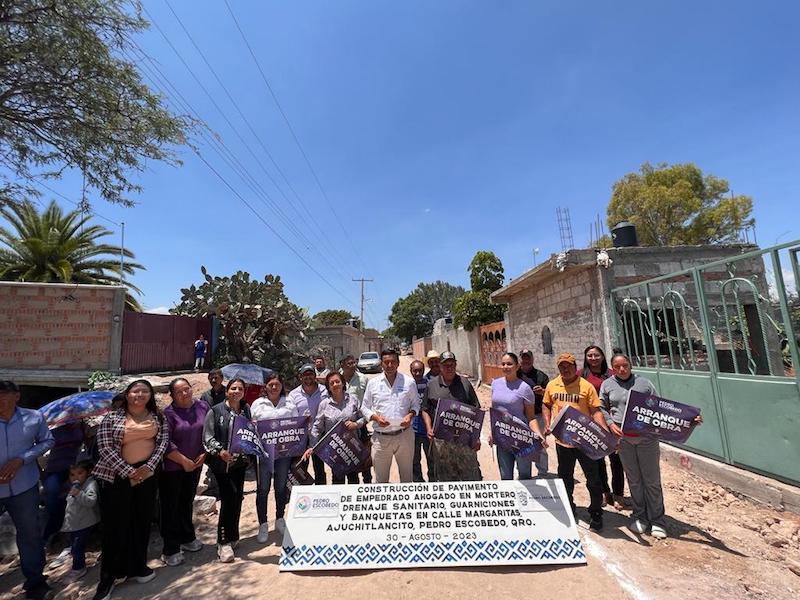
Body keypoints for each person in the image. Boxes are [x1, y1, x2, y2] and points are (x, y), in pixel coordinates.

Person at [600, 353, 702, 539]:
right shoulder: (607, 385)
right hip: (624, 441)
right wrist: (610, 424)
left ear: (630, 365)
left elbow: (661, 410)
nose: (622, 369)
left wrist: (689, 420)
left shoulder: (644, 384)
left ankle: (657, 520)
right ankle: (640, 516)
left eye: (625, 365)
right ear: (612, 368)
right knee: (634, 479)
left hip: (646, 439)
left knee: (651, 481)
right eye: (617, 366)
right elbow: (602, 407)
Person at [92, 379, 168, 600]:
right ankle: (108, 579)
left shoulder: (157, 417)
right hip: (117, 477)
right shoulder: (112, 418)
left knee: (141, 521)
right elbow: (105, 448)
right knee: (115, 526)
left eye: (145, 391)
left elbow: (162, 442)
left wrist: (148, 467)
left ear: (150, 396)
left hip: (147, 474)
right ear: (127, 395)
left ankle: (137, 567)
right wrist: (129, 471)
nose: (140, 395)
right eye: (136, 391)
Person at [0, 381, 55, 600]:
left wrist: (22, 460)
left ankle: (35, 583)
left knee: (30, 535)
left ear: (16, 396)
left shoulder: (34, 417)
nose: (0, 399)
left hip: (24, 486)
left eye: (4, 394)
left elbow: (47, 441)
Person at [542, 353, 608, 531]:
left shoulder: (586, 386)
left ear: (574, 366)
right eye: (561, 366)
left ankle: (596, 513)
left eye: (568, 365)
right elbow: (546, 404)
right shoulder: (552, 385)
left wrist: (605, 432)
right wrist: (548, 423)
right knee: (565, 478)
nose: (565, 369)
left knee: (593, 479)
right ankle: (569, 507)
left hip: (584, 442)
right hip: (563, 442)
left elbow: (595, 411)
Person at [159, 378, 208, 566]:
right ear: (172, 395)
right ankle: (170, 548)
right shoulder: (168, 414)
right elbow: (165, 442)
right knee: (170, 507)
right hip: (172, 468)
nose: (185, 394)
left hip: (196, 465)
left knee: (187, 502)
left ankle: (187, 538)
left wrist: (204, 453)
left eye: (187, 389)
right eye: (179, 392)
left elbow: (208, 432)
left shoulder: (203, 407)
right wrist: (183, 461)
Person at [202, 378, 251, 563]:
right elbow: (208, 437)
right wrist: (220, 451)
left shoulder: (246, 409)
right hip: (222, 465)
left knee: (238, 497)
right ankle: (223, 542)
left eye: (240, 388)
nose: (236, 391)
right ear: (227, 390)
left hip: (240, 464)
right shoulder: (215, 411)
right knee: (228, 498)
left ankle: (233, 535)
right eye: (233, 388)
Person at [421, 352, 482, 482]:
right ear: (440, 367)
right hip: (441, 442)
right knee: (445, 478)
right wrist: (429, 428)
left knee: (470, 476)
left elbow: (476, 411)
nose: (449, 368)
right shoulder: (431, 385)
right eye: (445, 365)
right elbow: (425, 409)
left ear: (455, 365)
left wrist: (476, 437)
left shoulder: (465, 383)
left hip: (464, 441)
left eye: (452, 365)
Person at [361, 349, 419, 483]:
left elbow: (416, 404)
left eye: (393, 362)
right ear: (381, 364)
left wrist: (410, 416)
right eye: (386, 362)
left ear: (398, 363)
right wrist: (375, 418)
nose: (390, 365)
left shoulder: (409, 382)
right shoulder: (373, 383)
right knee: (381, 482)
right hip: (381, 438)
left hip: (404, 436)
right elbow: (364, 407)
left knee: (407, 479)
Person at [251, 372, 297, 542]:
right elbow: (250, 426)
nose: (274, 387)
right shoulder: (257, 404)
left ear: (281, 385)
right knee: (263, 489)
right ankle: (263, 524)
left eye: (277, 384)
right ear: (266, 386)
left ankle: (279, 519)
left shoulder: (290, 404)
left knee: (280, 486)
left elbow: (296, 425)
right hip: (264, 454)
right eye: (271, 384)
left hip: (284, 454)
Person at [489, 353, 546, 480]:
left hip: (521, 438)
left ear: (517, 366)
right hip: (502, 437)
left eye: (509, 364)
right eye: (503, 364)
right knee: (505, 476)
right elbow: (494, 411)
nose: (506, 367)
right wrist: (492, 433)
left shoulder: (525, 388)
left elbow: (531, 417)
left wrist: (539, 435)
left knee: (525, 476)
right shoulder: (495, 384)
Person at [304, 372, 366, 484]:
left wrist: (356, 424)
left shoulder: (353, 400)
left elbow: (363, 418)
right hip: (335, 450)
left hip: (352, 449)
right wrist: (312, 446)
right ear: (328, 387)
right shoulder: (324, 404)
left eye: (337, 381)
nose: (335, 384)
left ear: (343, 383)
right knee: (337, 481)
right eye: (331, 383)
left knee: (354, 480)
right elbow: (317, 427)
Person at [582, 345, 624, 509]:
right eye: (590, 355)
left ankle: (618, 494)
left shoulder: (612, 374)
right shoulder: (582, 375)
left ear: (602, 356)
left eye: (596, 355)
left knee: (616, 460)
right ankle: (605, 492)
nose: (593, 358)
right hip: (591, 424)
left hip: (612, 423)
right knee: (598, 461)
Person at [41, 421, 87, 547]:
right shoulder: (55, 430)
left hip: (74, 468)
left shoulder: (82, 428)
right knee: (52, 499)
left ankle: (72, 534)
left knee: (74, 499)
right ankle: (51, 531)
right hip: (55, 468)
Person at [59, 459, 100, 582]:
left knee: (77, 547)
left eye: (79, 473)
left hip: (84, 522)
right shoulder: (75, 486)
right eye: (72, 474)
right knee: (75, 546)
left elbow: (91, 501)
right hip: (75, 523)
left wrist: (78, 494)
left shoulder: (90, 484)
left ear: (88, 472)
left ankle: (78, 568)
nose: (75, 477)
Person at [288, 364, 329, 485]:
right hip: (302, 437)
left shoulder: (325, 391)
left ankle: (321, 494)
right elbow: (291, 415)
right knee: (301, 468)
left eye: (310, 374)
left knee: (319, 468)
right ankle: (302, 495)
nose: (308, 377)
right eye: (305, 375)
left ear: (315, 375)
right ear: (300, 377)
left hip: (320, 435)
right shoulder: (293, 395)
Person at [517, 349, 550, 477]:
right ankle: (524, 474)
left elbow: (550, 394)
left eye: (528, 358)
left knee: (540, 444)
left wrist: (542, 391)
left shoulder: (541, 376)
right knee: (522, 444)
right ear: (520, 360)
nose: (526, 360)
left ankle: (543, 473)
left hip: (537, 416)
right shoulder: (516, 374)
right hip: (520, 416)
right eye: (523, 358)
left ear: (532, 359)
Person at [339, 355, 372, 483]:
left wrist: (362, 421)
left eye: (354, 363)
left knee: (364, 458)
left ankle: (367, 484)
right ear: (342, 365)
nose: (352, 365)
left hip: (360, 424)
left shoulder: (363, 379)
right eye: (349, 363)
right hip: (341, 427)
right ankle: (352, 485)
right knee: (346, 457)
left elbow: (369, 401)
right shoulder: (337, 378)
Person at [410, 360, 433, 482]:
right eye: (415, 371)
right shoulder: (407, 385)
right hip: (413, 431)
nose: (418, 373)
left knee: (432, 460)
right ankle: (418, 483)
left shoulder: (430, 384)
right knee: (414, 461)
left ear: (424, 370)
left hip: (428, 430)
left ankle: (433, 484)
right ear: (411, 371)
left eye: (420, 370)